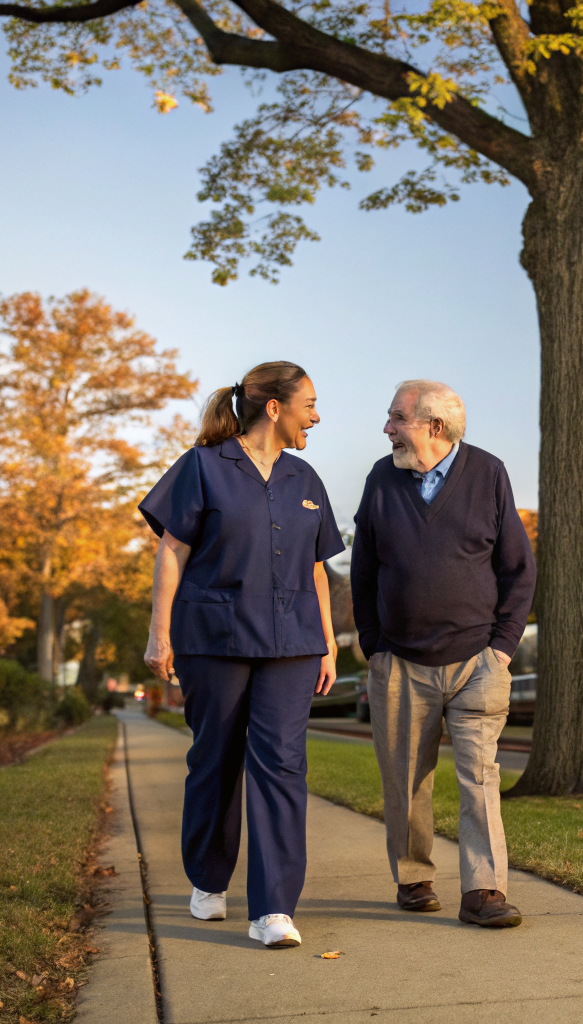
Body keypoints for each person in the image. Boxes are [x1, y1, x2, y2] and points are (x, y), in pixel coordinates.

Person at [140, 361, 345, 949]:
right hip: (215, 639)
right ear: (275, 408)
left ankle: (273, 909)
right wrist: (159, 633)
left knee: (282, 764)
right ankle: (208, 878)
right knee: (216, 759)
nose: (317, 416)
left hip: (293, 643)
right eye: (310, 404)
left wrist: (328, 642)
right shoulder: (202, 466)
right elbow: (172, 551)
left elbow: (316, 569)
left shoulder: (306, 478)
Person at [351, 380, 536, 928]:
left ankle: (484, 891)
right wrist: (374, 645)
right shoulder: (381, 479)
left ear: (434, 425)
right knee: (406, 781)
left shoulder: (488, 473)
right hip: (400, 662)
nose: (387, 429)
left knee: (480, 779)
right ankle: (414, 879)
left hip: (477, 661)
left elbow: (518, 569)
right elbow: (363, 571)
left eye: (396, 418)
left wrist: (502, 647)